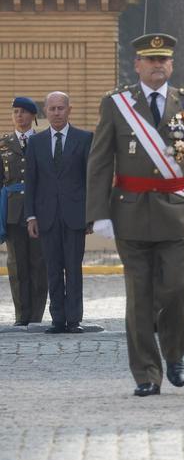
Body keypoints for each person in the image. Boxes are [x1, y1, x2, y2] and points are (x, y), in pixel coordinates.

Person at [87, 35, 184, 396]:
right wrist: (99, 213)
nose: (158, 65)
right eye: (150, 59)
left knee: (177, 290)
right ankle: (146, 372)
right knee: (139, 298)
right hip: (131, 214)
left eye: (164, 60)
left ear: (171, 65)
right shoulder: (116, 105)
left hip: (178, 215)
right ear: (137, 65)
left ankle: (174, 352)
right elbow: (100, 162)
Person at [24, 91, 91, 335]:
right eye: (51, 109)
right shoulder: (36, 143)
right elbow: (31, 182)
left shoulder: (84, 139)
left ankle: (74, 320)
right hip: (46, 216)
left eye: (61, 108)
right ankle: (58, 320)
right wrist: (30, 216)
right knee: (52, 268)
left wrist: (91, 215)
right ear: (45, 112)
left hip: (75, 215)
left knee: (73, 268)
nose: (56, 113)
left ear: (69, 110)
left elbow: (90, 180)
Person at [1, 96, 47, 326]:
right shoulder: (4, 144)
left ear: (33, 116)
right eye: (15, 112)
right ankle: (22, 316)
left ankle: (36, 317)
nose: (19, 116)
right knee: (17, 266)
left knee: (39, 265)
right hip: (12, 212)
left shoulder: (43, 142)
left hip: (39, 211)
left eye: (24, 112)